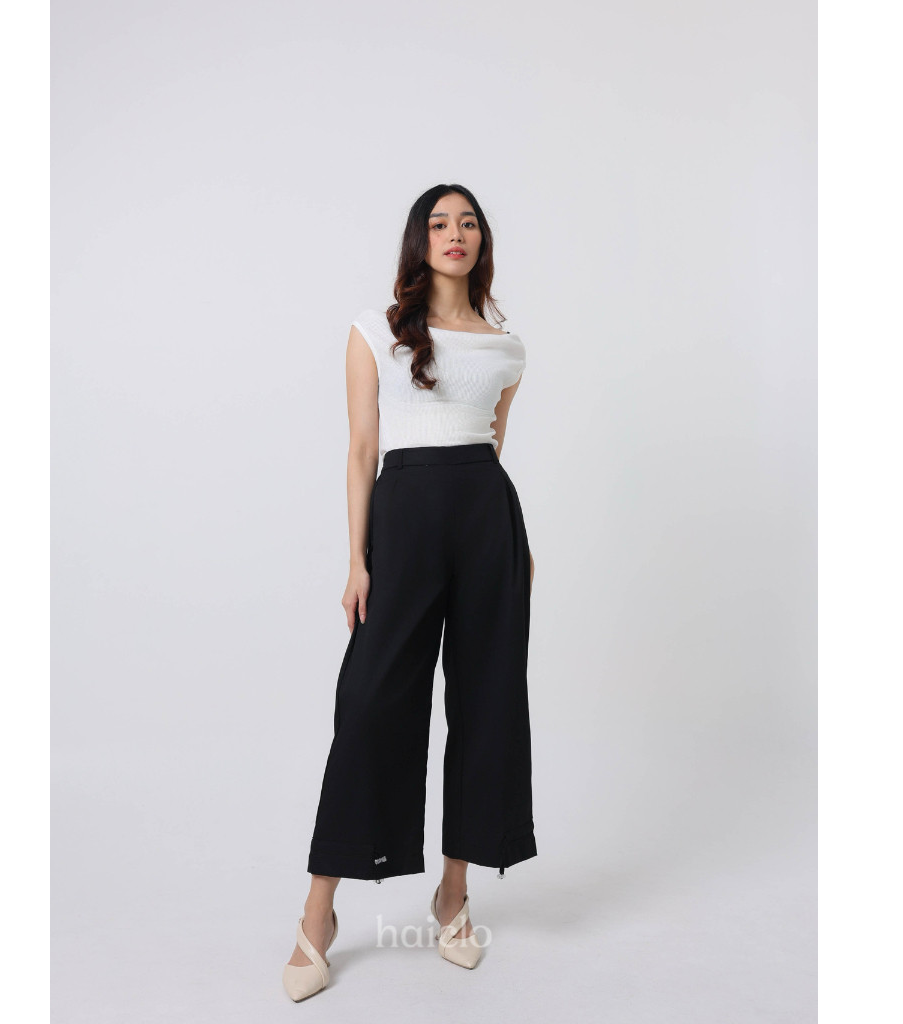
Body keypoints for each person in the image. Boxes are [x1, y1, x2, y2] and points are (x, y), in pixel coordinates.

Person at [282, 184, 537, 1001]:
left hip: (487, 527)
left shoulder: (507, 347)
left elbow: (491, 449)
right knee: (369, 703)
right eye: (438, 222)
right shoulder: (376, 330)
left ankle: (453, 894)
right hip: (403, 523)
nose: (454, 233)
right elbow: (363, 449)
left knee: (487, 703)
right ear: (418, 241)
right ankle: (319, 912)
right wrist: (358, 560)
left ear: (481, 241)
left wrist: (511, 547)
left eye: (467, 223)